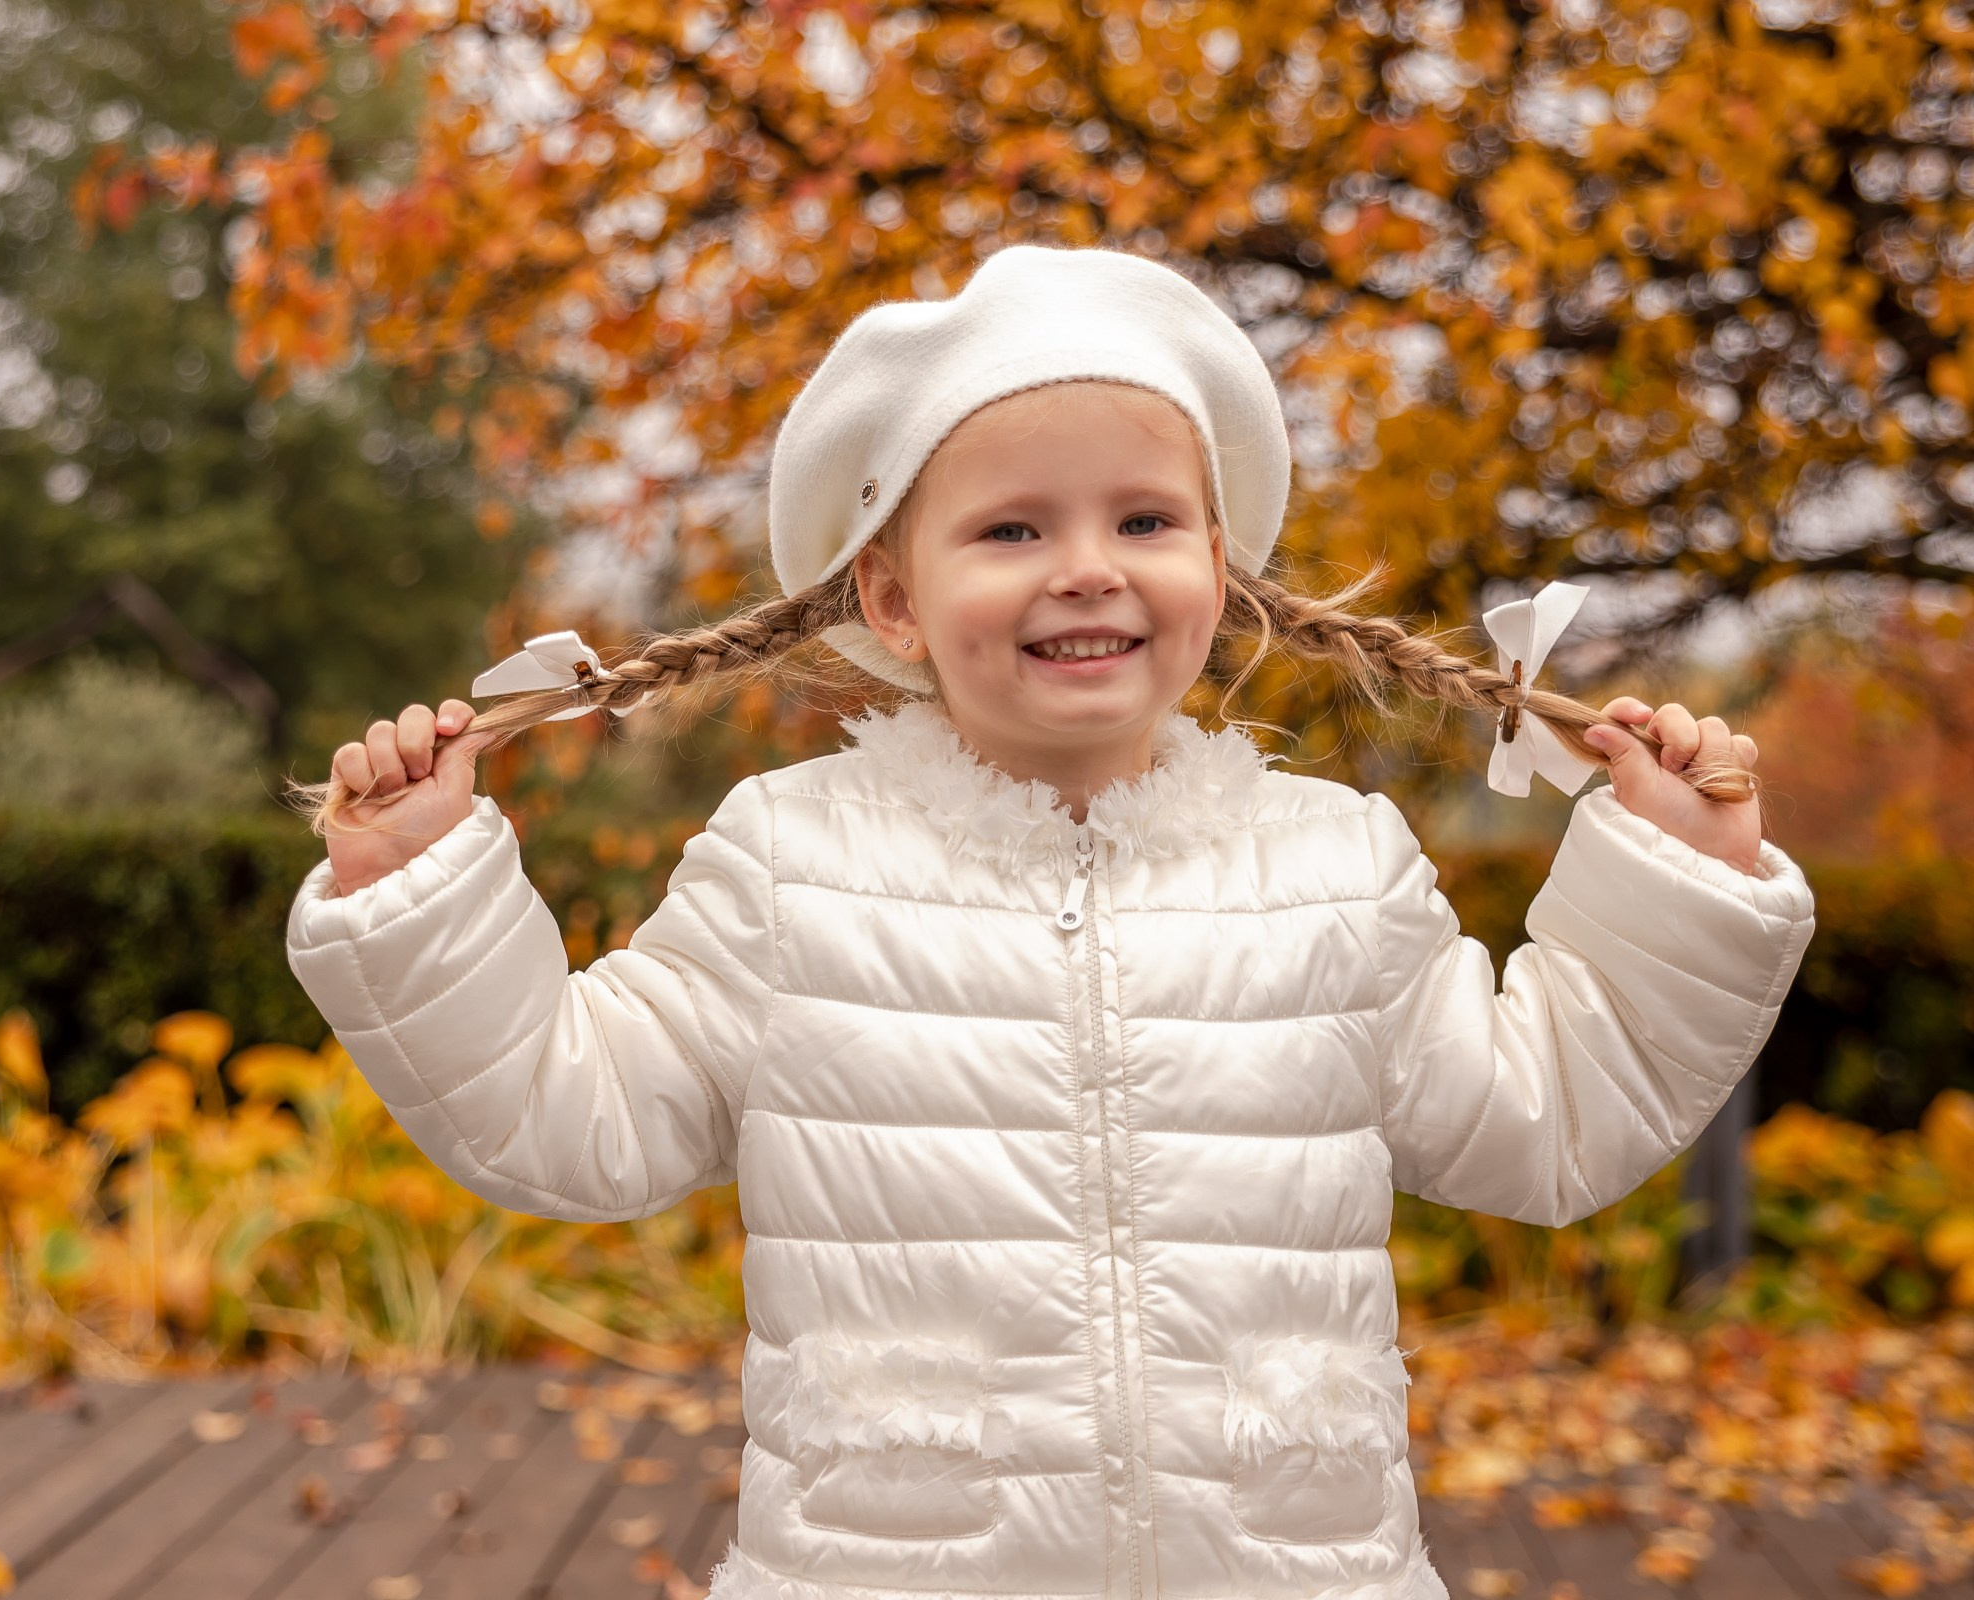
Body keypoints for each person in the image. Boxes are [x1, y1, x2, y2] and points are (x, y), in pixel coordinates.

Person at [283, 246, 1816, 1600]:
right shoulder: (787, 867)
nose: (1088, 566)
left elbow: (1545, 1119)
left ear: (1218, 567)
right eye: (1011, 530)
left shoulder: (1336, 867)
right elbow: (570, 1120)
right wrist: (415, 890)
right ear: (889, 598)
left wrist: (1671, 881)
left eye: (1145, 518)